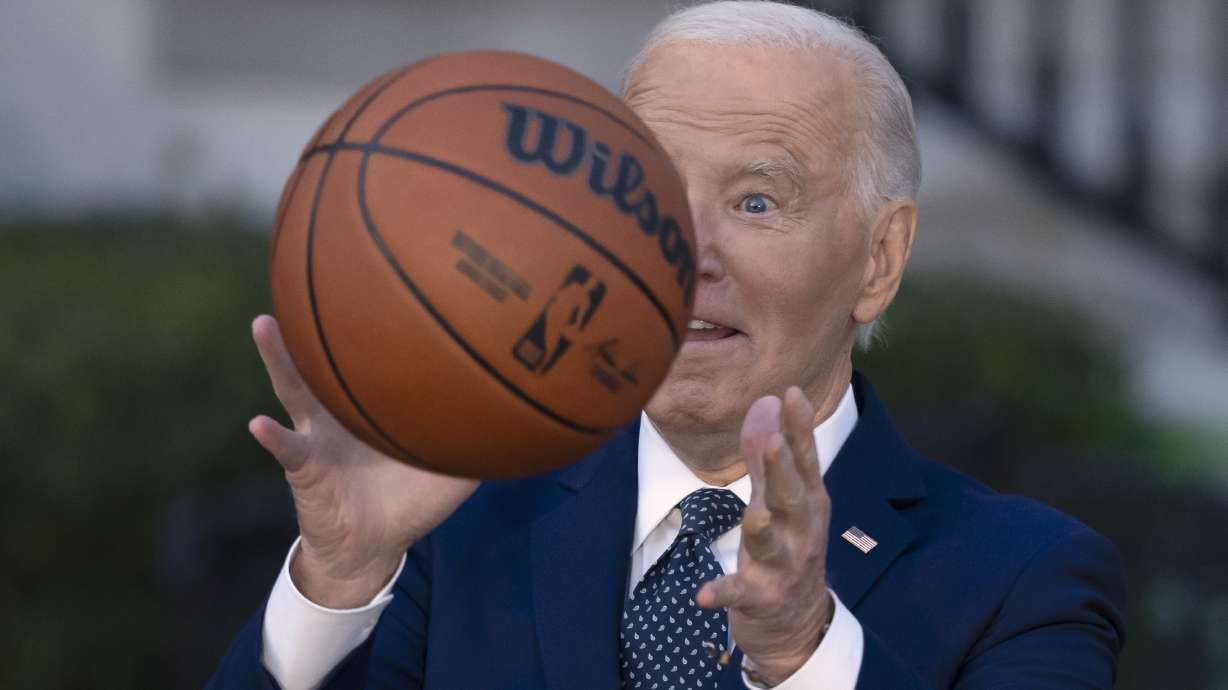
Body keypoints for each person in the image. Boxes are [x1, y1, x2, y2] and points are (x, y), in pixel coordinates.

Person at [209, 2, 1125, 689]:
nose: (680, 255)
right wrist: (339, 584)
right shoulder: (454, 530)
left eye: (756, 201)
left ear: (880, 261)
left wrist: (804, 652)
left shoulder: (1024, 580)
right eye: (643, 196)